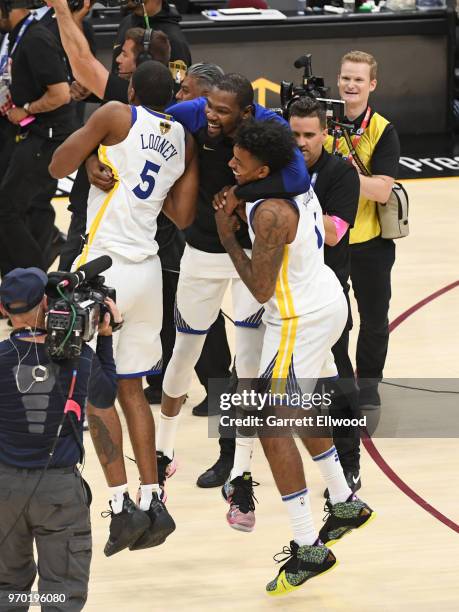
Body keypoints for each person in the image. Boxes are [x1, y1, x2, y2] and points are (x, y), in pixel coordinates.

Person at [214, 119, 374, 595]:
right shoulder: (290, 172)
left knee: (269, 422)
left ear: (262, 167)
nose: (230, 164)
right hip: (323, 298)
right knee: (297, 409)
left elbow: (261, 288)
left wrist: (227, 234)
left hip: (298, 317)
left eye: (238, 162)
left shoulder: (271, 214)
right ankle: (344, 500)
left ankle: (308, 546)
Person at [49, 60, 198, 554]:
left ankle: (119, 507)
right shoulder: (183, 137)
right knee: (134, 391)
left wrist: (93, 147)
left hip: (104, 269)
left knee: (97, 397)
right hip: (149, 271)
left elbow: (56, 165)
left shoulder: (115, 114)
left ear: (131, 89)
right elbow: (181, 213)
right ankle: (154, 501)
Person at [157, 74, 309, 491]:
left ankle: (237, 465)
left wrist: (244, 194)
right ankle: (162, 453)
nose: (211, 116)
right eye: (209, 107)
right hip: (203, 250)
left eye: (221, 112)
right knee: (185, 351)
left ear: (245, 113)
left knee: (247, 364)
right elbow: (146, 125)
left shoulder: (268, 127)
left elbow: (298, 180)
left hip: (247, 256)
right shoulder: (194, 112)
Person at [0, 267, 120, 610]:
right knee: (62, 594)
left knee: (7, 588)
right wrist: (106, 338)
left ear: (4, 310)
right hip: (59, 492)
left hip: (4, 489)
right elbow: (105, 395)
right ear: (47, 302)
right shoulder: (80, 356)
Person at [289, 97, 362, 492]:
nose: (300, 142)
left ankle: (350, 458)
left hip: (327, 293)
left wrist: (295, 198)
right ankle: (234, 463)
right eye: (294, 133)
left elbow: (333, 233)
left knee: (335, 380)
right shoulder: (278, 168)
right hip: (283, 296)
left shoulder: (340, 174)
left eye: (308, 135)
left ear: (325, 133)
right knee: (245, 374)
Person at [325, 50, 400, 411]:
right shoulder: (322, 123)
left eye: (358, 79)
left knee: (374, 319)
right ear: (337, 80)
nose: (351, 85)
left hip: (370, 242)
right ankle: (341, 384)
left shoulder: (382, 130)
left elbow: (382, 190)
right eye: (345, 78)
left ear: (372, 84)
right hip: (330, 240)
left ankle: (368, 385)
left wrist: (339, 176)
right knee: (337, 319)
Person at [0, 0, 75, 276]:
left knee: (6, 209)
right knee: (28, 206)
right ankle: (17, 280)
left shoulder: (35, 39)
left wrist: (27, 109)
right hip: (27, 132)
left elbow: (61, 94)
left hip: (48, 136)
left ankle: (32, 282)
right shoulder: (14, 36)